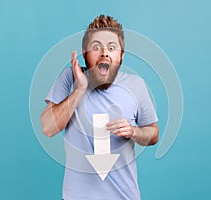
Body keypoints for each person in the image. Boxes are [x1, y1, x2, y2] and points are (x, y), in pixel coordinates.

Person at [41, 15, 159, 200]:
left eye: (111, 48)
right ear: (85, 53)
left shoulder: (136, 85)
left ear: (121, 54)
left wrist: (134, 131)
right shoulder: (70, 78)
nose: (104, 53)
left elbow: (153, 135)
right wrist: (79, 89)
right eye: (96, 47)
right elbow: (48, 128)